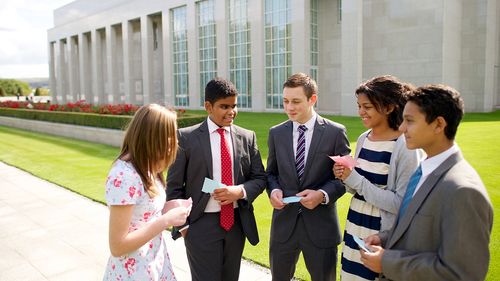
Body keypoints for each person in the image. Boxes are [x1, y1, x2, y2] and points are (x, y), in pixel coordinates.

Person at [360, 84, 493, 281]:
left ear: (439, 125)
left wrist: (388, 262)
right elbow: (416, 226)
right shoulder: (423, 169)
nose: (402, 127)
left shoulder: (463, 190)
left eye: (409, 121)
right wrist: (384, 238)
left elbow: (462, 274)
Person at [166, 77, 266, 281]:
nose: (231, 111)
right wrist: (184, 227)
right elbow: (174, 187)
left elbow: (260, 178)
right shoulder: (186, 138)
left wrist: (239, 191)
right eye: (224, 106)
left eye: (234, 106)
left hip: (236, 225)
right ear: (208, 107)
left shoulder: (248, 137)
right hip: (200, 226)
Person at [333, 76, 422, 281]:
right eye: (359, 106)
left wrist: (354, 179)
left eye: (367, 106)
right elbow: (358, 188)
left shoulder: (405, 146)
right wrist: (344, 176)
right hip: (355, 224)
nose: (361, 112)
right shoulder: (364, 139)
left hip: (381, 233)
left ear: (389, 107)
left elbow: (401, 204)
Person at [266, 73, 351, 281]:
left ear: (312, 99)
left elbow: (344, 178)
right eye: (285, 101)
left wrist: (322, 195)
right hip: (284, 227)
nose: (289, 107)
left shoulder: (335, 133)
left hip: (321, 228)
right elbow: (271, 174)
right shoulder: (276, 133)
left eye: (296, 101)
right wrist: (274, 190)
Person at [103, 104, 190, 280]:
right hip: (134, 272)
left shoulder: (147, 167)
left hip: (153, 263)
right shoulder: (124, 176)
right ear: (155, 137)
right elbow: (118, 246)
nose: (176, 141)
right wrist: (166, 220)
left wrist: (166, 208)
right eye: (171, 135)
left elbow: (142, 214)